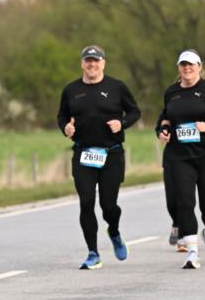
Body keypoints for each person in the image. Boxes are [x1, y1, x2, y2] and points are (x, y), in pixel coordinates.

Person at [56, 45, 141, 270]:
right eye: (88, 60)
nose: (92, 64)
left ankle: (113, 231)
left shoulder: (117, 87)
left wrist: (121, 123)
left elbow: (134, 112)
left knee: (108, 205)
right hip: (83, 153)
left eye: (96, 60)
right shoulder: (71, 89)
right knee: (86, 202)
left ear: (104, 63)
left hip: (111, 153)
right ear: (82, 63)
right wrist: (66, 127)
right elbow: (62, 115)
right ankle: (93, 253)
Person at [156, 50, 205, 269]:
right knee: (185, 202)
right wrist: (162, 130)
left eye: (191, 65)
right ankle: (192, 251)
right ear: (179, 68)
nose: (187, 68)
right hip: (180, 156)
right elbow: (166, 118)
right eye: (183, 65)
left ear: (199, 66)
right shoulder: (172, 92)